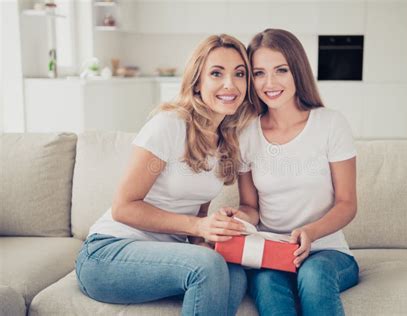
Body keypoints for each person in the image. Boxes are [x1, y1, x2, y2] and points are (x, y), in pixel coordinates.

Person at [75, 34, 260, 316]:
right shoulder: (169, 125)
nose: (230, 84)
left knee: (234, 272)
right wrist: (198, 228)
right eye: (216, 73)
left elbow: (197, 215)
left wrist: (208, 233)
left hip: (168, 257)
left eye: (239, 74)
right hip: (108, 254)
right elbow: (123, 207)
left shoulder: (225, 141)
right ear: (197, 82)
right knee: (208, 266)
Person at [230, 29, 360, 316]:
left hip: (327, 250)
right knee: (267, 289)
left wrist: (310, 233)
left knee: (313, 277)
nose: (270, 82)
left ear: (297, 71)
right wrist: (236, 219)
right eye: (259, 73)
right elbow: (250, 206)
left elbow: (347, 203)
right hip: (271, 251)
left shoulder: (330, 124)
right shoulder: (246, 133)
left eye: (281, 70)